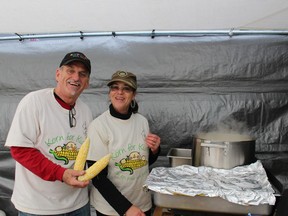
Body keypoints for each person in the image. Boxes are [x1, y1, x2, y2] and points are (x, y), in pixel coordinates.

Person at [5, 52, 93, 215]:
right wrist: (62, 174)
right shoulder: (34, 102)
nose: (76, 77)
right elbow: (20, 150)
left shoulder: (85, 111)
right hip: (38, 207)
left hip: (78, 205)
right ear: (58, 74)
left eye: (82, 74)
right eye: (70, 70)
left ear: (87, 83)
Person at [87, 70, 161, 216]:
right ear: (110, 93)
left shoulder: (141, 121)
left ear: (134, 94)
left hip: (141, 203)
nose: (119, 92)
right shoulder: (99, 126)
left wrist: (155, 150)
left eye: (126, 89)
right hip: (112, 209)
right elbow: (97, 177)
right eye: (115, 87)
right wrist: (126, 208)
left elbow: (143, 162)